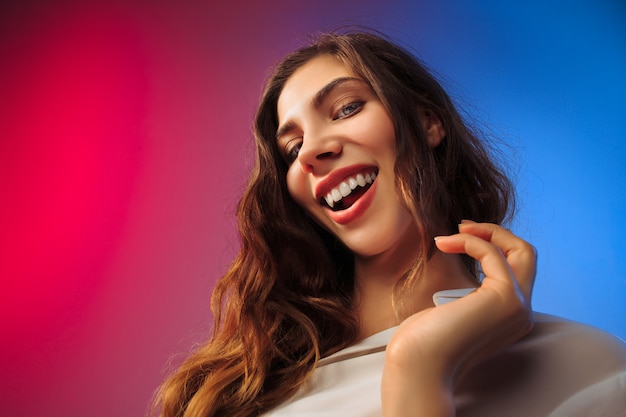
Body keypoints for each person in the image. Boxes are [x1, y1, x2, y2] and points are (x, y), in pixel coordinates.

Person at [153, 31, 626, 417]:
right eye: (293, 149)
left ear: (426, 122)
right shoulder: (245, 390)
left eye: (347, 108)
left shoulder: (594, 371)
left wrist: (420, 363)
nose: (314, 150)